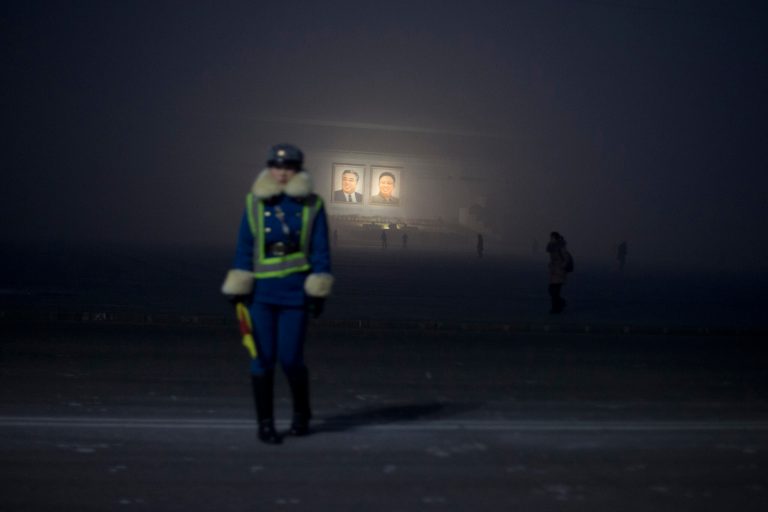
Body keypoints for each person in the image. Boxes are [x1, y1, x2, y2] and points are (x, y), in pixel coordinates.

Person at [221, 143, 333, 444]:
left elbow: (320, 250)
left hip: (295, 296)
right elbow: (245, 248)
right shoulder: (254, 203)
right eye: (277, 166)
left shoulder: (313, 205)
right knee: (262, 359)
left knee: (291, 359)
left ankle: (301, 414)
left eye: (289, 167)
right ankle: (265, 424)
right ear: (270, 167)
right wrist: (239, 287)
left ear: (298, 170)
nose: (282, 173)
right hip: (261, 297)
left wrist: (319, 290)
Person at [546, 231, 568, 313]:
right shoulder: (552, 247)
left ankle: (556, 308)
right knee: (552, 291)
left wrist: (561, 267)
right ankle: (559, 304)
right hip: (554, 272)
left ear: (556, 238)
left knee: (554, 291)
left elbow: (566, 258)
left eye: (552, 237)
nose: (551, 239)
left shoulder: (561, 247)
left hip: (559, 272)